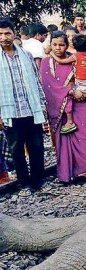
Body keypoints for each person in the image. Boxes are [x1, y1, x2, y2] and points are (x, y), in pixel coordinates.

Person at [40, 31, 86, 183]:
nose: (58, 48)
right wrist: (72, 92)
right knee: (63, 139)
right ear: (50, 45)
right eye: (54, 45)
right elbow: (49, 86)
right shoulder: (46, 62)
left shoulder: (76, 58)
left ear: (67, 45)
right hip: (60, 107)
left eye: (61, 44)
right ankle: (67, 174)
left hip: (82, 103)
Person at [0, 18, 49, 192]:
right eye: (0, 34)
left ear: (14, 34)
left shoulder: (25, 55)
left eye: (7, 33)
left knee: (36, 146)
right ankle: (24, 182)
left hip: (31, 108)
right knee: (16, 150)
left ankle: (37, 181)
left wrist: (42, 104)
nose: (4, 37)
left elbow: (36, 81)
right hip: (10, 112)